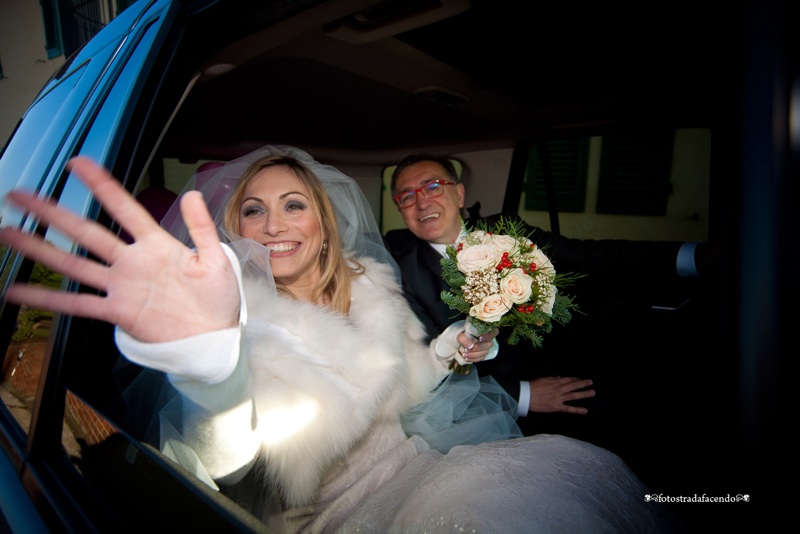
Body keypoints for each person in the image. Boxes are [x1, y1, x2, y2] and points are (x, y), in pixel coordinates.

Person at [0, 146, 681, 532]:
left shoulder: (370, 285)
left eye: (294, 205)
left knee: (574, 481)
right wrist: (211, 365)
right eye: (254, 210)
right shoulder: (235, 319)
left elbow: (405, 386)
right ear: (236, 227)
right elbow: (223, 463)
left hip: (426, 464)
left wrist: (446, 351)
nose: (274, 225)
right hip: (341, 518)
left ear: (324, 222)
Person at [384, 154, 718, 437]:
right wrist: (523, 396)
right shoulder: (397, 265)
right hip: (490, 402)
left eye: (431, 187)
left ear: (458, 194)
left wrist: (693, 257)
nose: (422, 201)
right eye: (406, 196)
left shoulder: (504, 229)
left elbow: (587, 257)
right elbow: (422, 362)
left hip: (567, 362)